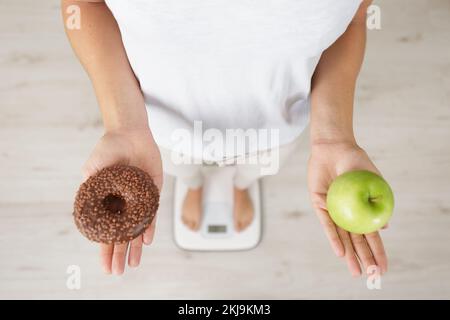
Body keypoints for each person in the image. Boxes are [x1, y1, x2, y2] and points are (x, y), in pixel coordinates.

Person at [62, 0, 388, 277]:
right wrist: (123, 124)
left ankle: (240, 187)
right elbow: (85, 4)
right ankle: (194, 187)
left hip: (276, 126)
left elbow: (353, 17)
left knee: (254, 170)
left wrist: (334, 135)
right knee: (184, 169)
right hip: (153, 127)